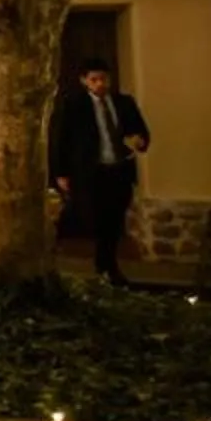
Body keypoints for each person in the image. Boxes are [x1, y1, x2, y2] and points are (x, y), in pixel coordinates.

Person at [49, 61, 151, 283]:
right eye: (94, 80)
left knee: (115, 218)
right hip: (90, 171)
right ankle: (92, 264)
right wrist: (61, 173)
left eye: (103, 79)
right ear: (85, 81)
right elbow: (61, 140)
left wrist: (140, 141)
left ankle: (108, 265)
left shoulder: (124, 103)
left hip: (119, 168)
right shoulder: (74, 105)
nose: (100, 84)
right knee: (93, 217)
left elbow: (141, 131)